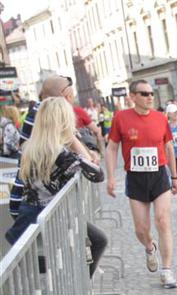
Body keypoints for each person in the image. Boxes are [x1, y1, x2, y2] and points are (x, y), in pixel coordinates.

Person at [106, 79, 177, 288]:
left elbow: (169, 148)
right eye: (144, 94)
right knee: (141, 228)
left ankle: (167, 270)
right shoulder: (121, 118)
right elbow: (112, 148)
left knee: (163, 221)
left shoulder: (160, 118)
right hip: (136, 177)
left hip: (158, 175)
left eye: (151, 94)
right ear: (133, 96)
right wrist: (111, 177)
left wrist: (174, 176)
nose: (150, 97)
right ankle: (149, 247)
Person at [5, 98, 105, 253]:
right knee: (99, 242)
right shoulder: (59, 154)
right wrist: (73, 138)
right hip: (53, 222)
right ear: (64, 121)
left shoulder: (29, 148)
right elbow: (97, 174)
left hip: (30, 218)